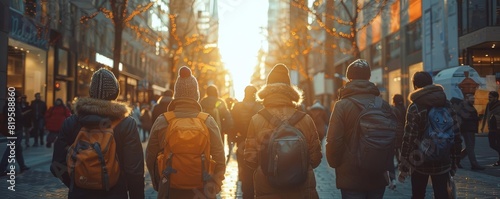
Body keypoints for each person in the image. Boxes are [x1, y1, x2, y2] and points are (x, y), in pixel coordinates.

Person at [50, 68, 145, 199]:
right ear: (116, 93)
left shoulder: (71, 122)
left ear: (91, 92)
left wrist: (77, 182)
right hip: (115, 194)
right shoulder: (126, 124)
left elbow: (57, 165)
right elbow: (134, 171)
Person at [146, 66, 226, 199]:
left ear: (176, 95)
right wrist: (215, 185)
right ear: (196, 95)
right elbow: (219, 157)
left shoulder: (163, 121)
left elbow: (150, 156)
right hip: (202, 190)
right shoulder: (207, 121)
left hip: (170, 189)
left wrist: (159, 184)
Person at [244, 64, 322, 198]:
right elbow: (315, 158)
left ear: (267, 90)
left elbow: (250, 159)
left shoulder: (256, 120)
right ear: (289, 91)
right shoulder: (305, 119)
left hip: (267, 189)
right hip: (301, 190)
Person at [326, 59, 394, 198]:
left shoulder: (342, 105)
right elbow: (393, 138)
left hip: (351, 174)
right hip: (377, 172)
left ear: (349, 78)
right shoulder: (383, 104)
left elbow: (334, 139)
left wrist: (335, 163)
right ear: (369, 77)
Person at [398, 71, 462, 199]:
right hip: (443, 160)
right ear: (431, 83)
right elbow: (455, 133)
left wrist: (404, 164)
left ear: (415, 85)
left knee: (418, 194)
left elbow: (409, 137)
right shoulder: (446, 103)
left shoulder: (415, 106)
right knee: (442, 194)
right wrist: (455, 160)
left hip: (419, 161)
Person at [230, 85, 263, 199]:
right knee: (257, 165)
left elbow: (232, 124)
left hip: (242, 140)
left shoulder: (237, 106)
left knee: (243, 165)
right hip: (257, 142)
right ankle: (255, 187)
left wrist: (233, 138)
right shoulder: (261, 107)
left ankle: (246, 189)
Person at [0, 90, 30, 176]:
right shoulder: (15, 106)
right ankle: (2, 168)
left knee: (18, 149)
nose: (20, 99)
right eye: (18, 97)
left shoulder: (7, 105)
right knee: (11, 149)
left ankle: (22, 165)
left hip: (11, 129)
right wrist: (24, 114)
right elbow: (18, 117)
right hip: (16, 130)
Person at [457, 94, 485, 170]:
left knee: (470, 147)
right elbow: (465, 117)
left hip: (469, 128)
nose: (473, 99)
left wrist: (477, 118)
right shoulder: (465, 106)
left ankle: (456, 160)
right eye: (471, 98)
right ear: (466, 99)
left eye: (473, 98)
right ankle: (474, 164)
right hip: (467, 128)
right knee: (470, 147)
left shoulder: (468, 106)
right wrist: (476, 118)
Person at [481, 91, 500, 166]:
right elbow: (485, 115)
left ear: (495, 98)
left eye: (491, 97)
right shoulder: (488, 104)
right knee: (492, 144)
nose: (489, 98)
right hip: (491, 127)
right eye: (489, 96)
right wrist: (482, 126)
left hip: (498, 127)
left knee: (498, 144)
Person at [392, 94, 407, 164]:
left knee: (395, 148)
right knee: (402, 148)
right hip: (404, 131)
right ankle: (403, 161)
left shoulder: (394, 110)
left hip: (396, 131)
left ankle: (399, 161)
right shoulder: (405, 109)